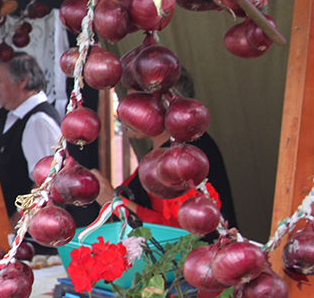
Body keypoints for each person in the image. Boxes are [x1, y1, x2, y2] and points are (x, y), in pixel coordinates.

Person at [92, 70, 237, 229]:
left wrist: (114, 203)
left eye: (135, 105)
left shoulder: (182, 156)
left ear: (164, 103)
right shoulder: (163, 148)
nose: (125, 113)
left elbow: (178, 231)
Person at [0, 53, 61, 250]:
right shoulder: (19, 117)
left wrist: (15, 222)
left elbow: (46, 183)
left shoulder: (37, 121)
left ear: (23, 81)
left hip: (28, 241)